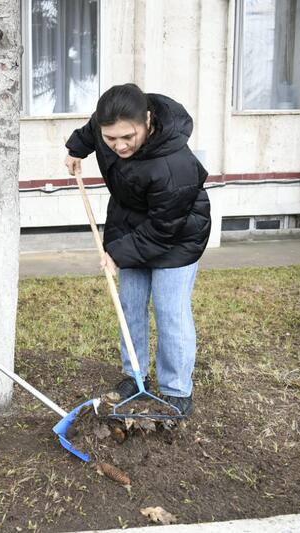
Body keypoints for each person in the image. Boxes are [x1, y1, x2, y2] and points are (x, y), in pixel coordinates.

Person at [64, 83, 211, 417]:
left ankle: (176, 391)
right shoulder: (108, 129)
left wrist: (117, 254)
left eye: (128, 137)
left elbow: (163, 230)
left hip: (177, 237)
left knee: (170, 311)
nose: (119, 146)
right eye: (111, 139)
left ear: (147, 120)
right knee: (129, 305)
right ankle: (134, 374)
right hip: (130, 225)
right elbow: (89, 131)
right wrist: (76, 150)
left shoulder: (175, 163)